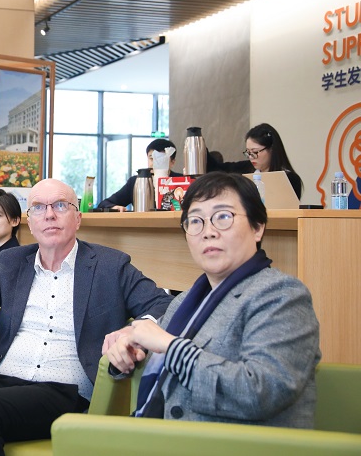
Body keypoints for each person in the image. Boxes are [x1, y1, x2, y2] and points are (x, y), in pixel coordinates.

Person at [0, 179, 171, 456]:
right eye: (38, 207)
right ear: (29, 221)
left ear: (78, 218)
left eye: (61, 205)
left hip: (63, 388)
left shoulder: (110, 265)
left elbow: (164, 304)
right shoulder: (12, 262)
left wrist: (132, 331)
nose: (49, 214)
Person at [105, 172, 320, 427]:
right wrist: (125, 350)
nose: (208, 232)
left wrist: (170, 346)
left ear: (257, 226)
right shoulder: (187, 301)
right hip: (156, 436)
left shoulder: (282, 295)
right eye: (195, 221)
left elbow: (261, 392)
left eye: (223, 217)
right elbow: (148, 347)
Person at [207, 122, 303, 199]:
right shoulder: (245, 169)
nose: (251, 157)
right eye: (248, 152)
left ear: (272, 149)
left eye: (255, 152)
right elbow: (217, 168)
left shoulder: (289, 179)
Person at [98, 139, 181, 211]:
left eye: (161, 160)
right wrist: (114, 207)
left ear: (172, 162)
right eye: (151, 158)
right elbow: (104, 203)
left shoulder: (182, 181)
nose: (155, 164)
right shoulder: (136, 181)